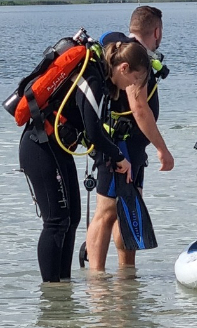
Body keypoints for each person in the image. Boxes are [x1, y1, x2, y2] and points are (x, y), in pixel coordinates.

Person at [19, 36, 149, 283]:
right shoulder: (92, 78)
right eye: (133, 80)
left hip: (57, 148)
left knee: (73, 218)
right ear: (123, 68)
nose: (130, 86)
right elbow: (93, 130)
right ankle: (51, 295)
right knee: (57, 221)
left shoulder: (99, 78)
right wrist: (118, 157)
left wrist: (110, 155)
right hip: (39, 147)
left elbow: (92, 131)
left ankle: (63, 289)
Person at [85, 6, 175, 274]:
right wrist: (162, 149)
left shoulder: (124, 50)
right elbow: (140, 108)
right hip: (118, 146)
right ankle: (97, 280)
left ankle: (126, 276)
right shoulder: (136, 58)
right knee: (107, 211)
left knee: (126, 208)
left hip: (127, 145)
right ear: (156, 31)